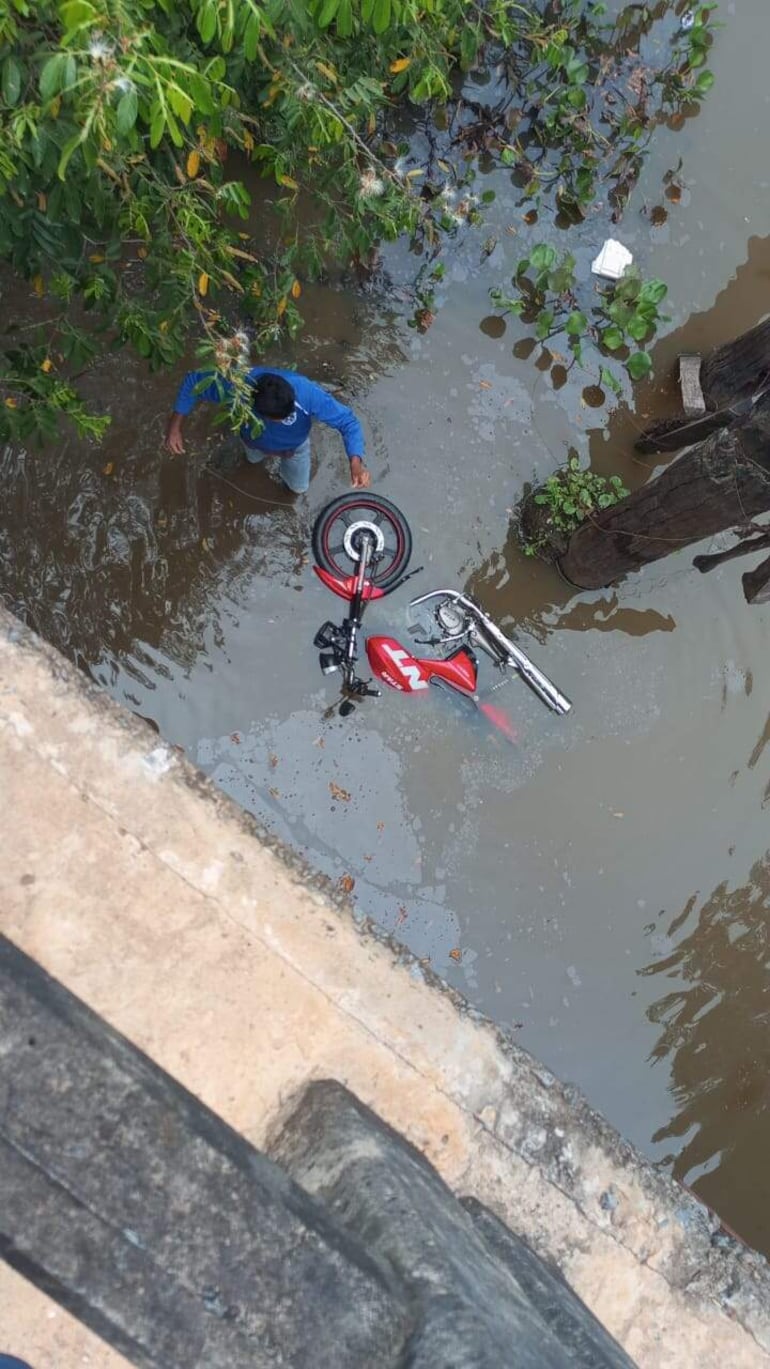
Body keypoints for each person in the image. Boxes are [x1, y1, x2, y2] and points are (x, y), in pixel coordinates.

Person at [164, 366, 370, 493]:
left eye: (286, 416)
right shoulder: (237, 386)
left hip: (294, 449)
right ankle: (253, 458)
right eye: (277, 419)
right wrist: (174, 428)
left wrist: (355, 462)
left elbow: (347, 421)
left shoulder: (306, 392)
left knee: (298, 488)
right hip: (251, 441)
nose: (282, 421)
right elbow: (193, 381)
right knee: (251, 461)